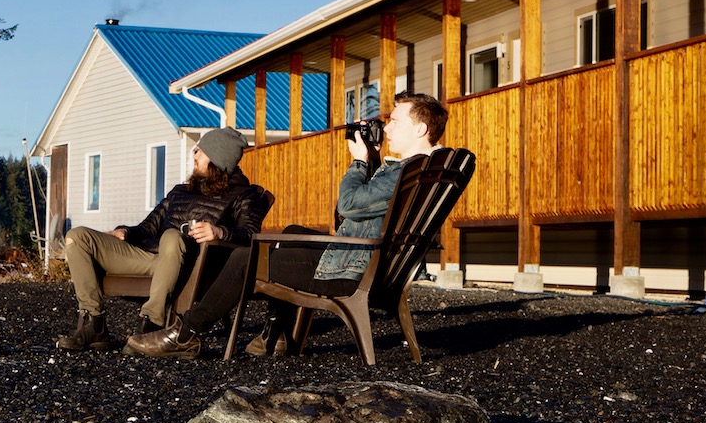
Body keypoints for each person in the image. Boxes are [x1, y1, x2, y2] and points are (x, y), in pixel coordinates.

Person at [124, 90, 448, 358]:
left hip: (352, 266)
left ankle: (186, 334)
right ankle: (275, 335)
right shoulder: (424, 169)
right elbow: (355, 214)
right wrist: (372, 163)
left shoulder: (406, 171)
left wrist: (360, 161)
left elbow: (349, 205)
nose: (387, 128)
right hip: (370, 259)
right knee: (291, 233)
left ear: (420, 129)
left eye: (394, 121)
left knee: (246, 256)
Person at [54, 127, 271, 351]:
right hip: (151, 259)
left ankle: (152, 322)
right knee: (77, 236)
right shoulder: (181, 192)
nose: (194, 155)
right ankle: (94, 325)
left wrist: (220, 232)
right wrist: (125, 232)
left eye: (201, 151)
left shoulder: (245, 196)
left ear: (218, 159)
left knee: (171, 236)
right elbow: (148, 226)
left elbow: (250, 235)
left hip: (191, 266)